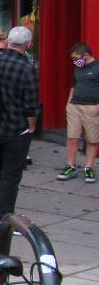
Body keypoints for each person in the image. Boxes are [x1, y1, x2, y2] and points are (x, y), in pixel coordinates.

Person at [0, 26, 39, 231]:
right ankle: (4, 220)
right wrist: (31, 126)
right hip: (15, 129)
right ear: (28, 45)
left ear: (9, 41)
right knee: (10, 176)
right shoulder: (26, 69)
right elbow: (31, 103)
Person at [57, 42, 99, 183]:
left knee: (91, 139)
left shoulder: (97, 67)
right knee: (72, 136)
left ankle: (89, 168)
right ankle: (71, 166)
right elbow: (73, 86)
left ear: (86, 55)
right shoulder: (78, 68)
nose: (74, 61)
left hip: (91, 107)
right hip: (74, 106)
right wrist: (69, 103)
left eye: (76, 58)